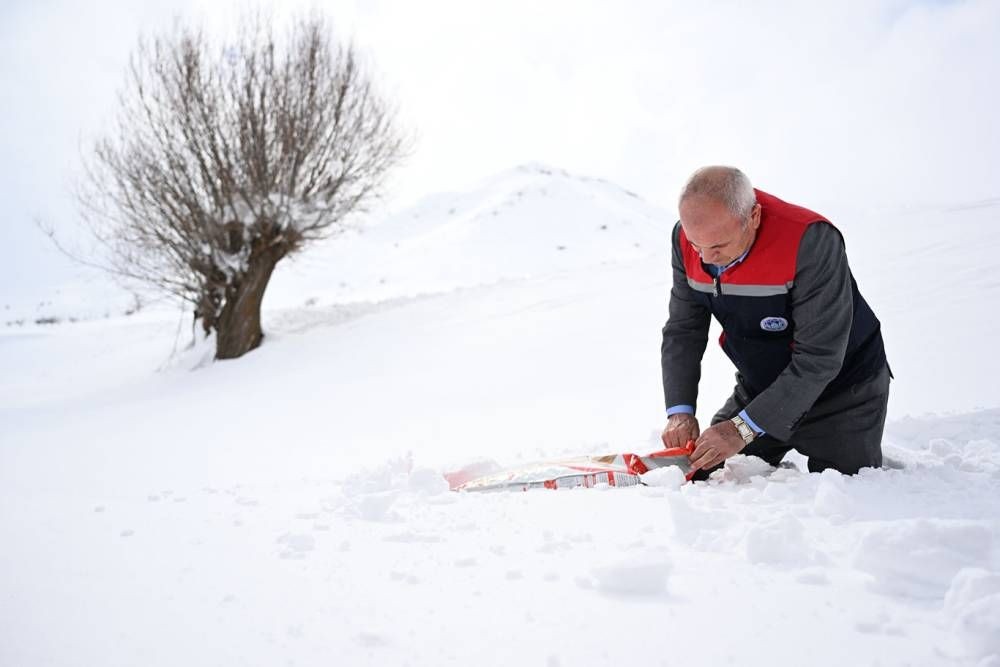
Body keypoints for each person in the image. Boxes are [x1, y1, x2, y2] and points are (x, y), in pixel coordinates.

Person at [660, 166, 891, 479]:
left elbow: (819, 359)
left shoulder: (809, 241)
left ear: (753, 217)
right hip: (763, 388)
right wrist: (680, 411)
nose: (705, 258)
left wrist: (739, 430)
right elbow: (684, 331)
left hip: (843, 392)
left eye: (718, 247)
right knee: (706, 474)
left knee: (842, 493)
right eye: (696, 245)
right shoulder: (689, 240)